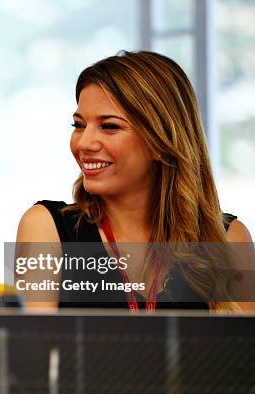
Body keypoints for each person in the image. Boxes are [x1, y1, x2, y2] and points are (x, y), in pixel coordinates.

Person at [16, 51, 254, 313]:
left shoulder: (230, 240)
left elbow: (242, 354)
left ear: (160, 143)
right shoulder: (46, 228)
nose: (83, 143)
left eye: (109, 126)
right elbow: (35, 350)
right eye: (79, 125)